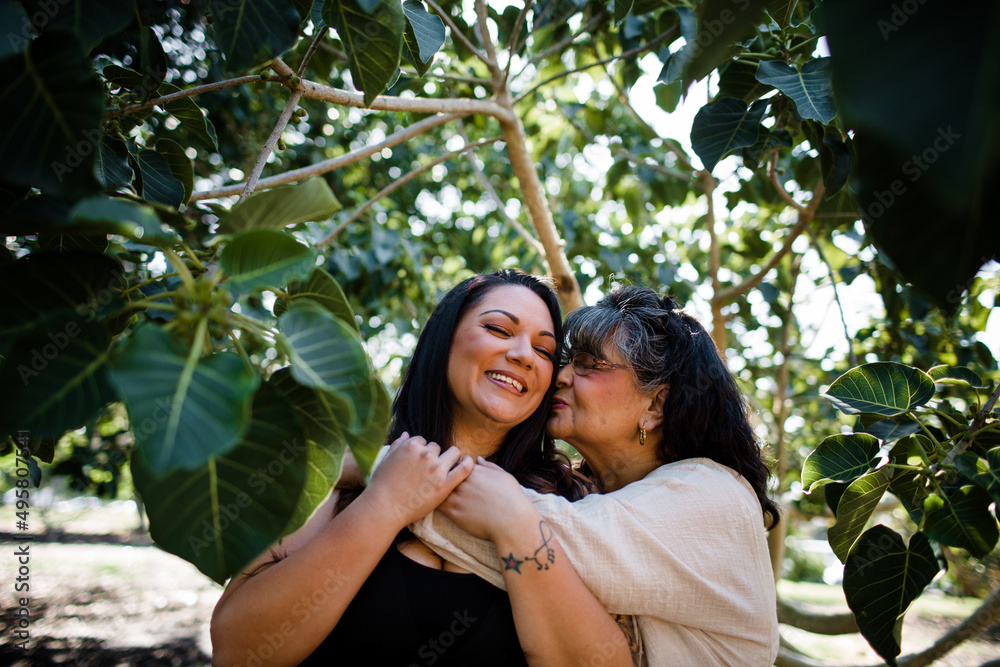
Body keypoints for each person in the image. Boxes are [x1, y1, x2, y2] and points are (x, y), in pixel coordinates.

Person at [210, 270, 632, 666]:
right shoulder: (337, 478)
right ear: (444, 339)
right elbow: (237, 652)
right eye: (499, 329)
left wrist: (517, 523)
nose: (524, 355)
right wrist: (384, 503)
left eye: (544, 351)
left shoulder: (571, 502)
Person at [410, 284, 781, 666]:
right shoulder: (588, 491)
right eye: (566, 360)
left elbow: (548, 543)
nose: (561, 376)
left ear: (655, 405)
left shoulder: (714, 495)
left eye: (588, 363)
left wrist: (389, 475)